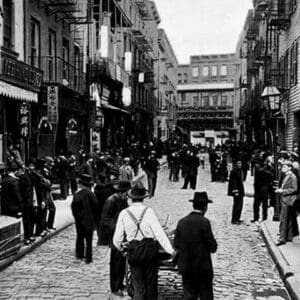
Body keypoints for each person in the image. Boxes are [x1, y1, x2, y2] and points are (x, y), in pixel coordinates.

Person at [113, 182, 175, 300]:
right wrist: (170, 250)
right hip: (150, 252)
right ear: (143, 198)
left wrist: (121, 249)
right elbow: (159, 234)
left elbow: (117, 239)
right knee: (151, 285)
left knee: (137, 285)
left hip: (134, 251)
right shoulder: (149, 212)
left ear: (131, 198)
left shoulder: (124, 213)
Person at [174, 192, 217, 300]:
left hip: (186, 267)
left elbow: (176, 244)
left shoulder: (182, 222)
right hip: (202, 268)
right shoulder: (205, 222)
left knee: (189, 295)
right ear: (205, 207)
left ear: (193, 205)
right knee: (206, 295)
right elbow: (212, 247)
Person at [100, 180, 131, 297]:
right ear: (122, 192)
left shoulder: (122, 200)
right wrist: (118, 228)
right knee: (115, 263)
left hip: (123, 235)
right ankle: (114, 287)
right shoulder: (111, 201)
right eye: (127, 192)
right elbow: (105, 220)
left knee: (122, 261)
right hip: (115, 236)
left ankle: (120, 283)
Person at [71, 174, 98, 263]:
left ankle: (80, 254)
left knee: (80, 237)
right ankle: (89, 257)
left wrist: (77, 218)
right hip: (90, 220)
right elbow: (96, 207)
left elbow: (74, 208)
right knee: (89, 239)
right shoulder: (92, 194)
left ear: (81, 184)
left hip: (80, 220)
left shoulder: (77, 195)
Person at [275, 161, 298, 246]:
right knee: (288, 219)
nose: (282, 168)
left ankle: (282, 239)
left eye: (284, 167)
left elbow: (294, 189)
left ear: (289, 168)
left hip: (287, 200)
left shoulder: (292, 177)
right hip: (285, 199)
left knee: (283, 219)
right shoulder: (287, 176)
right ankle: (288, 236)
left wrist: (282, 191)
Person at [228, 159, 245, 225]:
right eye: (238, 163)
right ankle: (234, 219)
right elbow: (233, 182)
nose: (239, 165)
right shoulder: (234, 171)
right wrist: (235, 191)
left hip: (240, 190)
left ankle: (238, 218)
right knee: (237, 205)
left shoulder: (240, 171)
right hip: (237, 191)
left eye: (240, 163)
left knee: (240, 205)